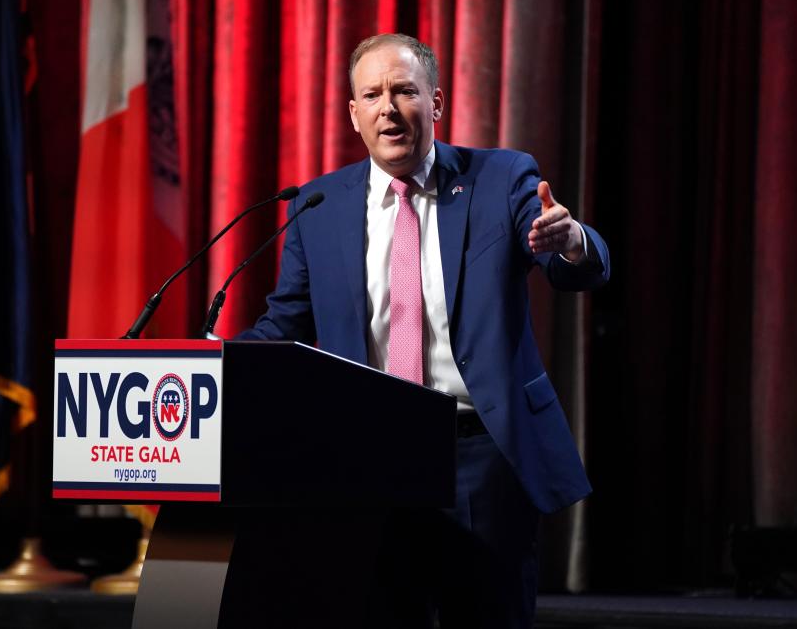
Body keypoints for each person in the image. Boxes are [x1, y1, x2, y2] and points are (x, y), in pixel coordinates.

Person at [241, 33, 610, 628]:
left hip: (480, 456)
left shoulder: (502, 178)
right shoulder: (318, 205)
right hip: (366, 460)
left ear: (434, 104)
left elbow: (571, 266)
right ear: (354, 113)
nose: (388, 107)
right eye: (373, 94)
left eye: (404, 91)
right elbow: (285, 325)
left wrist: (570, 244)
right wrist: (212, 369)